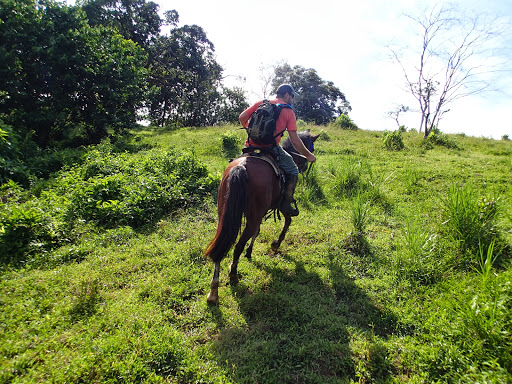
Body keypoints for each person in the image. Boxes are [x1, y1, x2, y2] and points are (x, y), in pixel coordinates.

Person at [239, 84, 316, 216]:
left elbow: (242, 117)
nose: (293, 99)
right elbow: (295, 140)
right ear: (286, 95)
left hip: (250, 146)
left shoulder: (261, 103)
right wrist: (309, 155)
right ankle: (286, 202)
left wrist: (250, 130)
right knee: (293, 169)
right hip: (270, 148)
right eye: (292, 96)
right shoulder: (288, 111)